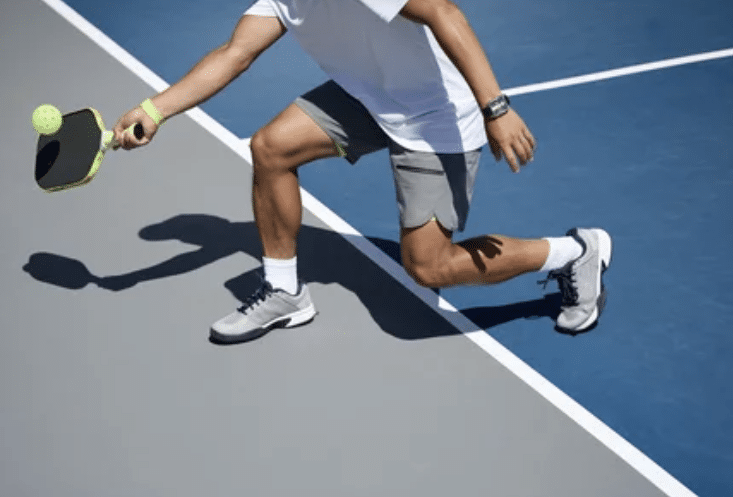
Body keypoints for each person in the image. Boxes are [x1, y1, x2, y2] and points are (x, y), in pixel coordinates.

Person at [113, 0, 612, 344]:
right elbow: (234, 54)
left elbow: (443, 11)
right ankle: (285, 291)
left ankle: (575, 252)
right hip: (369, 97)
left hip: (435, 115)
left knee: (428, 268)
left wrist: (496, 108)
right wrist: (154, 111)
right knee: (271, 148)